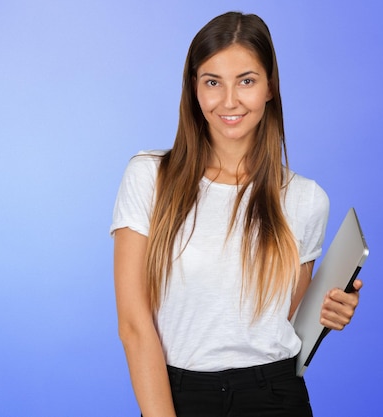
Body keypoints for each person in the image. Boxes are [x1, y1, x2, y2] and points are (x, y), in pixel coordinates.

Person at [110, 11, 361, 417]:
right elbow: (134, 325)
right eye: (213, 82)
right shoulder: (149, 176)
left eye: (246, 81)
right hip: (178, 395)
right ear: (194, 89)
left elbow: (281, 323)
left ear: (269, 88)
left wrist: (330, 309)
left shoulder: (305, 198)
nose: (229, 101)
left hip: (275, 395)